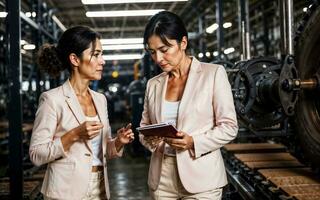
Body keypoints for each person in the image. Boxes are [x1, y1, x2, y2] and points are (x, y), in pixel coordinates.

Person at [139, 11, 238, 199]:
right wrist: (150, 140)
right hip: (162, 178)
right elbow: (145, 128)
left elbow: (229, 127)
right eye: (152, 52)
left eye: (164, 49)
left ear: (183, 43)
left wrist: (193, 142)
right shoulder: (153, 84)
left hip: (201, 176)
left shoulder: (213, 74)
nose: (158, 58)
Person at [29, 26, 134, 200]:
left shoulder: (100, 100)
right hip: (65, 191)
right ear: (75, 59)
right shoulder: (52, 99)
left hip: (99, 187)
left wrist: (118, 142)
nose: (103, 61)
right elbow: (36, 154)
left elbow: (103, 151)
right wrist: (74, 134)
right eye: (96, 54)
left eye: (101, 54)